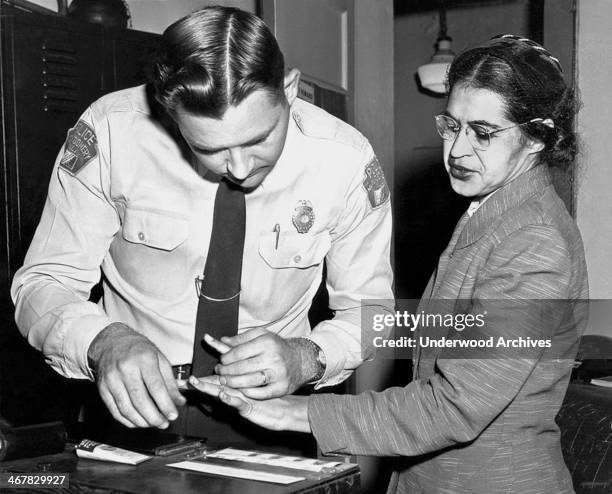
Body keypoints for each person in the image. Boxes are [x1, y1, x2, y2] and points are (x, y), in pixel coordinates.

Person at [191, 34, 588, 493]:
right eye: (451, 126)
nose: (457, 150)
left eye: (482, 132)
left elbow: (454, 407)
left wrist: (291, 411)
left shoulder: (534, 241)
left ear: (537, 136)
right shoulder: (496, 212)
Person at [10, 6, 393, 446]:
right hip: (132, 412)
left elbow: (374, 314)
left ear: (288, 89)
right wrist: (104, 341)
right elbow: (43, 281)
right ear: (168, 112)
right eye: (209, 148)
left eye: (259, 139)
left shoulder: (345, 159)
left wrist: (307, 357)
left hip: (276, 417)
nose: (241, 167)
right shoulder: (111, 131)